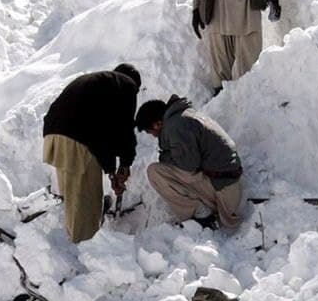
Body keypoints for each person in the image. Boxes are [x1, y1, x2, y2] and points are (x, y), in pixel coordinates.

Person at [42, 64, 141, 243]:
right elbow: (123, 130)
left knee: (73, 197)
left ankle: (73, 244)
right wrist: (124, 165)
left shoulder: (98, 84)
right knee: (86, 201)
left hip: (54, 135)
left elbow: (104, 133)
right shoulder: (126, 85)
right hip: (77, 139)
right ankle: (85, 249)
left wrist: (112, 171)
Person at [134, 96, 243, 230]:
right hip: (227, 185)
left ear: (157, 124)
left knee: (155, 172)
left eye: (151, 132)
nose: (154, 136)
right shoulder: (183, 117)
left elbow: (188, 167)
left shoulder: (176, 126)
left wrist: (166, 156)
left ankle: (201, 214)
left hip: (224, 194)